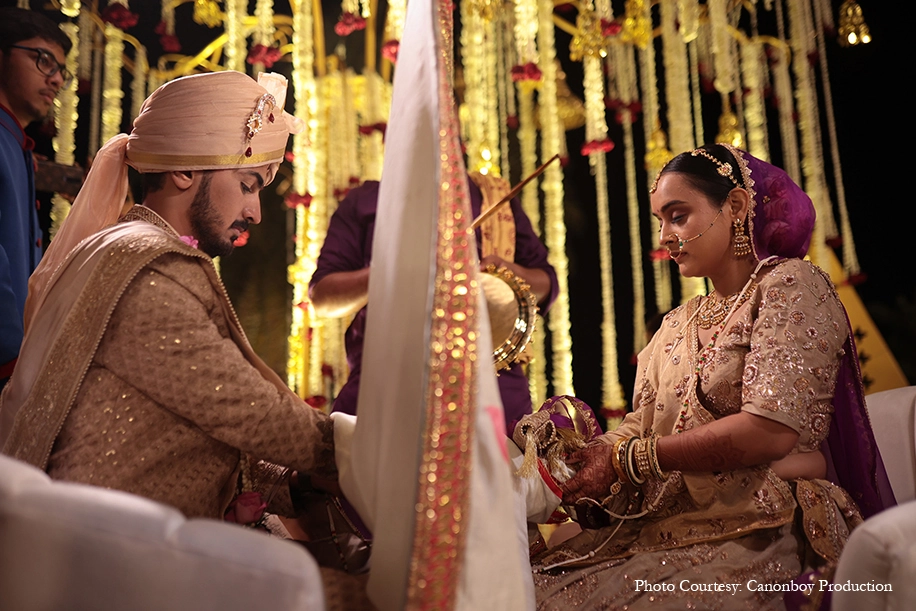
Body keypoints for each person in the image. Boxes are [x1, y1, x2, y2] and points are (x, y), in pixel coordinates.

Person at [0, 71, 372, 609]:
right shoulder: (153, 269)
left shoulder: (120, 247)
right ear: (185, 171)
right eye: (248, 185)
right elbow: (245, 411)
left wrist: (292, 483)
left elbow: (192, 423)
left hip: (108, 549)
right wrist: (368, 456)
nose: (255, 212)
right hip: (119, 569)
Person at [526, 144, 895, 609]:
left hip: (767, 523)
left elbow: (770, 430)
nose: (665, 236)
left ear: (736, 206)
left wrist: (629, 460)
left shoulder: (789, 286)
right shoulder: (676, 323)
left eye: (678, 216)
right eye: (660, 221)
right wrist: (589, 455)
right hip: (672, 522)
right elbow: (643, 423)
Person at [310, 171, 559, 427]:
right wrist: (394, 268)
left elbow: (547, 284)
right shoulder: (367, 199)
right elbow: (323, 297)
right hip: (388, 376)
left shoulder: (491, 195)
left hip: (490, 378)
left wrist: (503, 271)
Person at [0, 8, 71, 389]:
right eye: (43, 60)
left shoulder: (17, 146)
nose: (56, 78)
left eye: (61, 70)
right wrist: (13, 354)